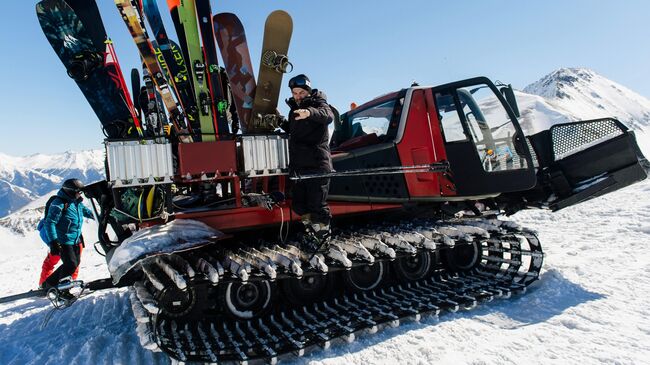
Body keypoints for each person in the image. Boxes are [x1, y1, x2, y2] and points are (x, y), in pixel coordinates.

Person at [281, 74, 334, 253]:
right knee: (299, 205)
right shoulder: (294, 110)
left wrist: (309, 112)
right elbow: (294, 131)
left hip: (317, 165)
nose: (298, 96)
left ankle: (323, 241)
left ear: (308, 91)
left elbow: (327, 115)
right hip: (300, 167)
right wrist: (281, 121)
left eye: (301, 92)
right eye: (295, 93)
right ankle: (312, 233)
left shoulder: (319, 103)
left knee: (317, 205)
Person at [40, 179, 94, 298]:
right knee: (70, 264)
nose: (80, 194)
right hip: (63, 240)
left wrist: (102, 216)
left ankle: (48, 284)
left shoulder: (77, 203)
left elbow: (87, 212)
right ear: (70, 191)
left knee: (74, 263)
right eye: (78, 192)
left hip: (75, 239)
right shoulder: (58, 204)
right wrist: (54, 242)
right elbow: (50, 223)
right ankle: (62, 291)